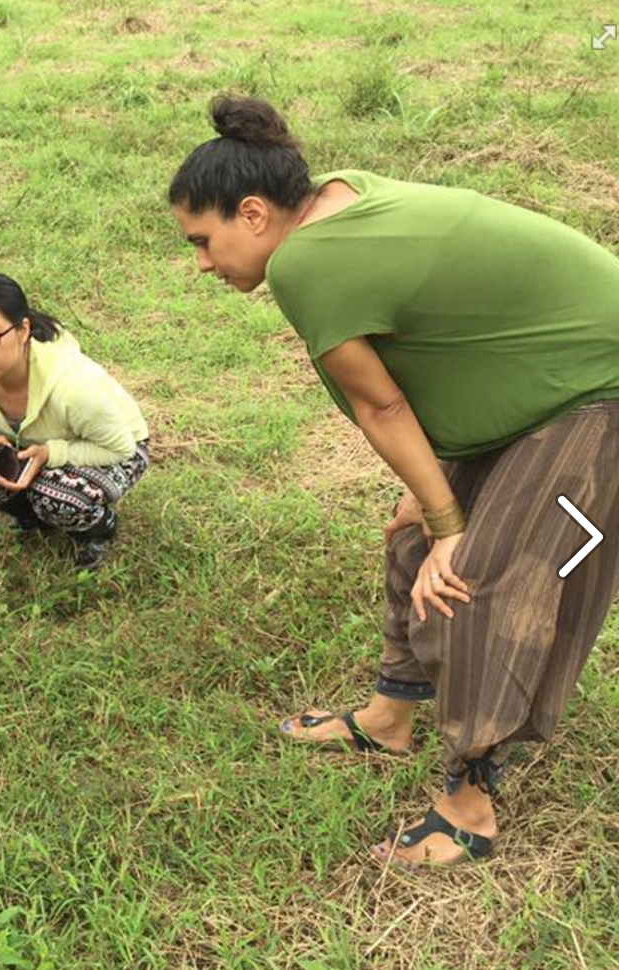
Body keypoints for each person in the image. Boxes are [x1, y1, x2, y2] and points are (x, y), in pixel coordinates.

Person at [169, 95, 619, 865]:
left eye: (203, 242)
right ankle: (389, 720)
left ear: (252, 214)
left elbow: (380, 403)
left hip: (597, 392)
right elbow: (429, 354)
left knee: (480, 579)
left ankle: (469, 803)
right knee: (415, 539)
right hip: (540, 386)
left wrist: (455, 524)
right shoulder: (335, 199)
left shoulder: (305, 261)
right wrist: (433, 502)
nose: (203, 264)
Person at [0, 273, 150, 568]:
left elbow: (120, 448)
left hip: (115, 447)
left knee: (60, 497)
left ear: (23, 330)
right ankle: (33, 519)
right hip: (28, 444)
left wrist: (51, 454)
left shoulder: (73, 386)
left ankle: (100, 527)